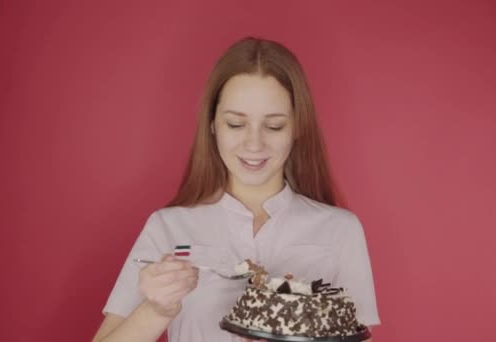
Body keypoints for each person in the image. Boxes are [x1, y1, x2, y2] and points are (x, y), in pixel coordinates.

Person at [92, 37, 380, 342]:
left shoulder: (340, 230)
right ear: (213, 123)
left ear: (297, 127)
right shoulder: (168, 227)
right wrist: (157, 310)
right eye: (235, 124)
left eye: (274, 126)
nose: (253, 144)